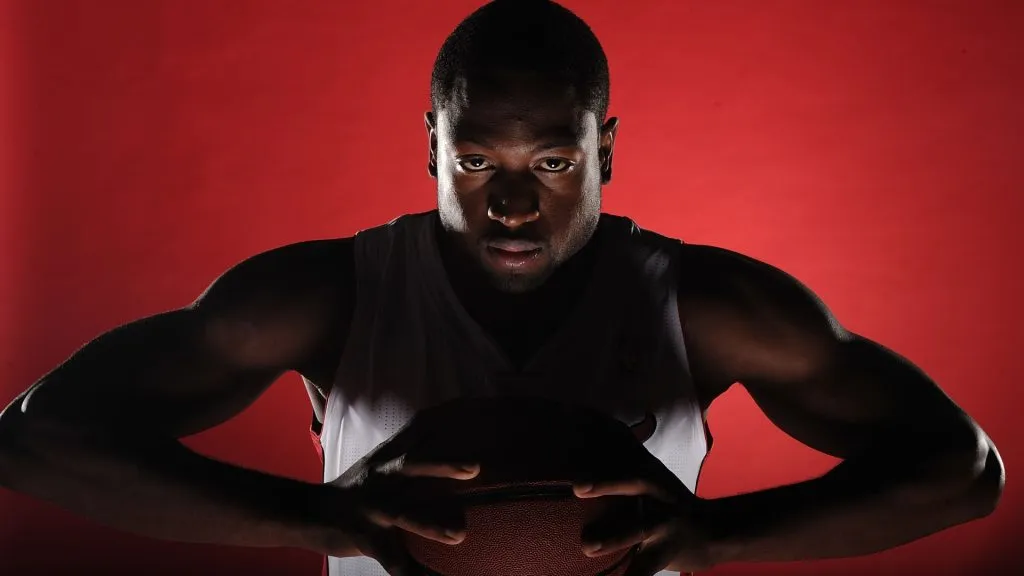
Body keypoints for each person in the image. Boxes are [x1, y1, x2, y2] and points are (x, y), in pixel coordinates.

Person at [0, 1, 1005, 575]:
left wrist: (717, 535)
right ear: (430, 148)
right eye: (477, 163)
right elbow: (33, 444)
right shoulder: (329, 295)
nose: (512, 204)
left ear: (603, 148)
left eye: (552, 164)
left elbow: (962, 471)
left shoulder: (702, 306)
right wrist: (318, 517)